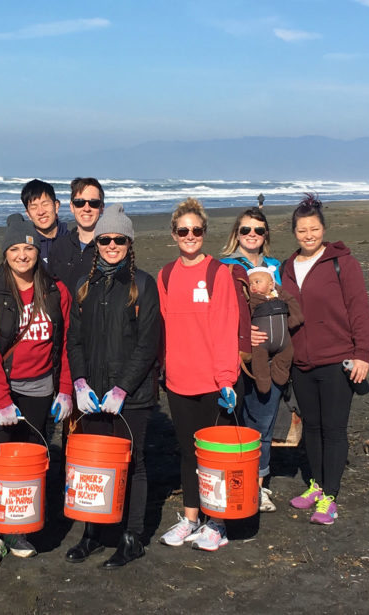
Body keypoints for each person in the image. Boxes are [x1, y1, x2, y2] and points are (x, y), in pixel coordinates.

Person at [0, 214, 73, 568]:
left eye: (27, 247)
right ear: (5, 253)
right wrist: (1, 400)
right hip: (1, 391)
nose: (21, 255)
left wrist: (64, 390)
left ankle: (18, 528)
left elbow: (65, 344)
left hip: (41, 389)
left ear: (36, 250)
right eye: (14, 248)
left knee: (29, 463)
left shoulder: (56, 289)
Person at [66, 204, 160, 568]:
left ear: (129, 242)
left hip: (131, 399)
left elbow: (147, 344)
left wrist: (122, 388)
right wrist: (79, 383)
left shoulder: (142, 285)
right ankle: (93, 533)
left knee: (132, 464)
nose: (111, 245)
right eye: (104, 239)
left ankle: (132, 536)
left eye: (119, 239)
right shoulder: (85, 286)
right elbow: (74, 340)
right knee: (94, 465)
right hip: (92, 396)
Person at [280, 194, 369, 525]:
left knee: (333, 429)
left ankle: (330, 498)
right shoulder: (286, 267)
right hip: (302, 363)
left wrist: (362, 353)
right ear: (294, 232)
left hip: (338, 361)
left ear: (323, 229)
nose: (308, 235)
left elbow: (359, 309)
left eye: (314, 229)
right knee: (313, 428)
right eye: (302, 230)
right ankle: (316, 486)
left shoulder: (342, 263)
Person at [156, 198, 240, 552]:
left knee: (214, 456)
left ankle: (216, 523)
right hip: (178, 381)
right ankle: (191, 518)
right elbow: (162, 328)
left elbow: (226, 327)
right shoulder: (166, 275)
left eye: (196, 230)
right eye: (183, 230)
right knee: (188, 453)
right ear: (174, 234)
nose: (190, 236)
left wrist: (226, 378)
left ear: (204, 233)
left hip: (213, 383)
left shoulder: (219, 273)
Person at [219, 207, 283, 512]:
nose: (252, 235)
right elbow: (217, 314)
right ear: (236, 234)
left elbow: (284, 308)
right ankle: (235, 481)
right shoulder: (223, 267)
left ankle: (259, 487)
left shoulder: (275, 266)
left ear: (265, 234)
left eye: (259, 230)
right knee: (233, 423)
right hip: (232, 358)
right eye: (246, 230)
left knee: (263, 425)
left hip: (270, 359)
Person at [246, 267, 302, 395]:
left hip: (284, 341)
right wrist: (244, 329)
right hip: (260, 342)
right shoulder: (252, 301)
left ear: (271, 284)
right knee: (259, 361)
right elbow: (242, 315)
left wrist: (296, 318)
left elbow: (292, 303)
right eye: (250, 283)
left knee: (288, 353)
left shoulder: (280, 296)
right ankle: (263, 379)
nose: (253, 286)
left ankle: (281, 371)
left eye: (258, 281)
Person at [47, 177, 105, 295]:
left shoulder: (111, 247)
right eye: (80, 203)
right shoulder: (59, 246)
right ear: (72, 207)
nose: (86, 208)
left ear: (101, 208)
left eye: (94, 203)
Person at [21, 179, 69, 264]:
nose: (41, 212)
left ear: (56, 206)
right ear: (28, 214)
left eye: (45, 204)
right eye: (34, 207)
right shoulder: (26, 247)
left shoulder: (72, 240)